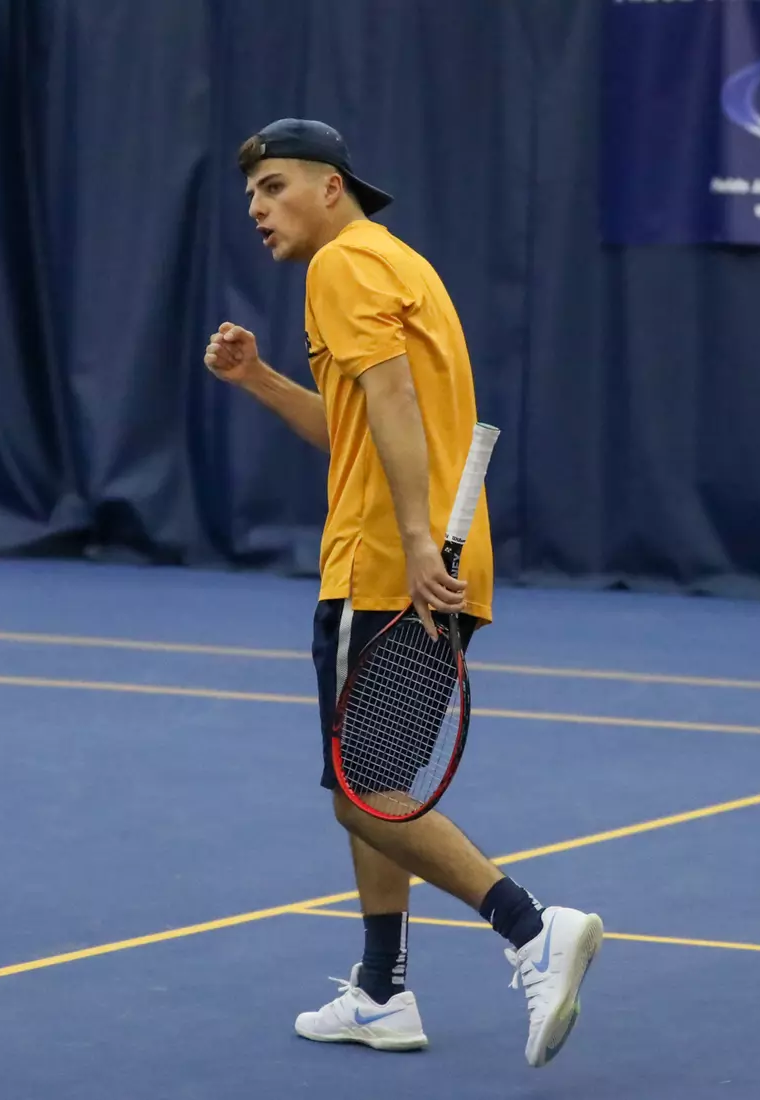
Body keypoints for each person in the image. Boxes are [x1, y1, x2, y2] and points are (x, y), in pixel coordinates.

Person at [202, 118, 603, 1069]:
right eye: (252, 194)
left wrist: (417, 541)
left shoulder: (339, 268)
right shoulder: (395, 266)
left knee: (360, 793)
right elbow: (359, 429)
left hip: (388, 565)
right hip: (418, 561)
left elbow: (391, 405)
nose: (258, 209)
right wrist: (259, 378)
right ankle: (382, 992)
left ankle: (531, 927)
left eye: (276, 188)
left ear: (331, 187)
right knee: (376, 778)